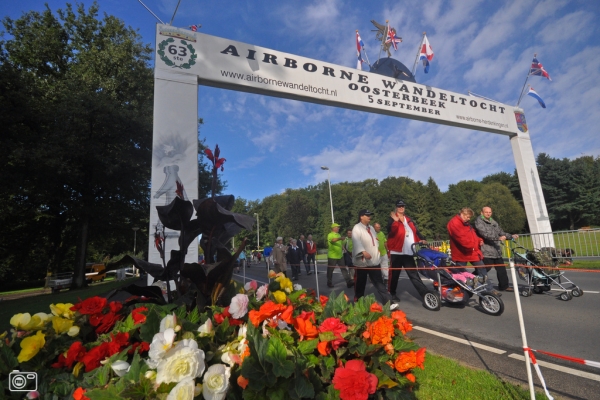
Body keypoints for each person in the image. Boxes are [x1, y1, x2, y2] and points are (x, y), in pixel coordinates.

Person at [386, 200, 433, 303]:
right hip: (397, 253)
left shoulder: (409, 220)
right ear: (396, 207)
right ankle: (391, 293)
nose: (401, 208)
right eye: (399, 206)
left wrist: (422, 238)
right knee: (394, 275)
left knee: (414, 275)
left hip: (408, 252)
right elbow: (391, 233)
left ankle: (425, 294)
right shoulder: (392, 219)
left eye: (403, 206)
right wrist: (395, 221)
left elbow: (416, 231)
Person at [352, 209, 398, 308]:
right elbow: (356, 242)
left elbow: (375, 241)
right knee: (360, 283)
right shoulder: (357, 228)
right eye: (367, 215)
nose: (369, 217)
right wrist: (363, 252)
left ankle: (389, 303)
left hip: (374, 261)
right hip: (362, 262)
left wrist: (377, 251)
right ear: (361, 216)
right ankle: (358, 302)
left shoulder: (371, 228)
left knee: (379, 283)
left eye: (370, 215)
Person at [447, 207, 496, 293]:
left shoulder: (466, 223)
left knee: (482, 270)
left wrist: (479, 240)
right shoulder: (454, 223)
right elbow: (461, 239)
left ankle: (489, 289)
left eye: (469, 217)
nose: (469, 219)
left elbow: (472, 234)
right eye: (468, 217)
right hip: (461, 253)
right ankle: (457, 291)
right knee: (460, 274)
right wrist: (473, 246)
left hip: (472, 252)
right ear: (463, 214)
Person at [474, 207, 518, 292]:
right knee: (486, 268)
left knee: (501, 268)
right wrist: (498, 238)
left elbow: (501, 232)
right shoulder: (479, 221)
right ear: (482, 213)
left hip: (496, 249)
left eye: (490, 212)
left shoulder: (493, 221)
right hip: (486, 249)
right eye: (486, 212)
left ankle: (504, 286)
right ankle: (470, 278)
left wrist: (510, 236)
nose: (488, 214)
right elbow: (484, 234)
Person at [327, 223, 353, 288]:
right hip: (332, 256)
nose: (339, 228)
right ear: (333, 228)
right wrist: (340, 238)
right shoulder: (330, 235)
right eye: (337, 227)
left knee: (343, 269)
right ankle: (329, 282)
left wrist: (345, 251)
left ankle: (348, 282)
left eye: (338, 227)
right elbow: (333, 240)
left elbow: (341, 244)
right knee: (330, 270)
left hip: (340, 255)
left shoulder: (338, 234)